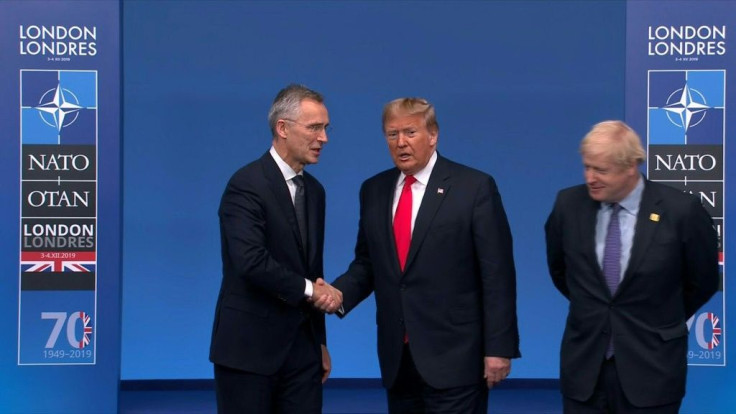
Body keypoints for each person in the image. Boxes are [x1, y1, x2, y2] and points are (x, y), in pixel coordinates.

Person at [323, 97, 521, 413]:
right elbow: (367, 264)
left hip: (457, 359)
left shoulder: (473, 187)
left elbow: (497, 275)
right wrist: (336, 293)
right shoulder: (374, 190)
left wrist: (499, 348)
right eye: (392, 134)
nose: (401, 143)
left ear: (433, 135)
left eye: (410, 132)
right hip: (399, 361)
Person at [545, 120, 719, 413]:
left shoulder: (681, 211)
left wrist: (657, 315)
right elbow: (561, 271)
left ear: (631, 167)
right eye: (587, 167)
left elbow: (702, 281)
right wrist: (597, 311)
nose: (591, 178)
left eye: (601, 170)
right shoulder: (568, 204)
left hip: (652, 367)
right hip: (585, 368)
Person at [209, 84, 342, 414]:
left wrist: (320, 343)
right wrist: (313, 291)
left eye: (325, 128)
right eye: (314, 127)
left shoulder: (315, 191)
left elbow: (313, 269)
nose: (323, 138)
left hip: (302, 353)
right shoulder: (245, 185)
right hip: (248, 351)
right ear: (282, 128)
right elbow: (250, 261)